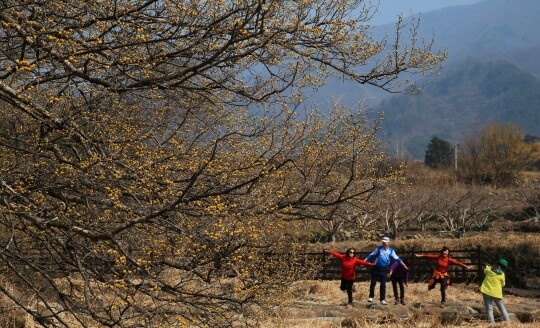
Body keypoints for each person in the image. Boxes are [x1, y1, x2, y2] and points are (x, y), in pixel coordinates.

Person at [364, 237, 408, 305]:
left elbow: (398, 259)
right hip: (376, 268)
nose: (384, 243)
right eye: (383, 242)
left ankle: (382, 299)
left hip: (384, 269)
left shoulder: (391, 251)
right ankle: (371, 297)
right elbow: (370, 255)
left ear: (388, 243)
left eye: (385, 242)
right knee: (373, 283)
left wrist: (404, 266)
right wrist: (363, 262)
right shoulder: (378, 249)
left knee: (383, 284)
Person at [480, 258, 511, 323]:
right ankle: (508, 322)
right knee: (502, 308)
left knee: (489, 309)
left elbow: (485, 270)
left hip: (486, 291)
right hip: (497, 293)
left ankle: (492, 324)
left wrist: (488, 266)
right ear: (503, 267)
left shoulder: (489, 270)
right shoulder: (502, 274)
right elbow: (503, 284)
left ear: (497, 264)